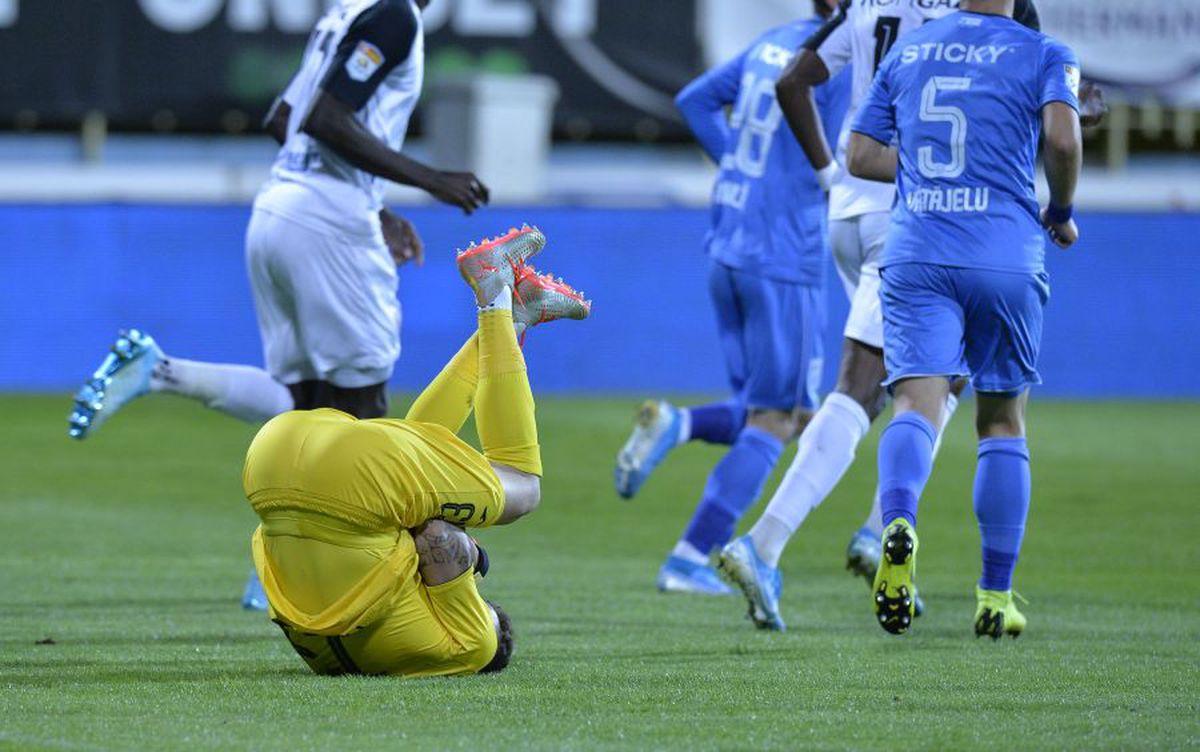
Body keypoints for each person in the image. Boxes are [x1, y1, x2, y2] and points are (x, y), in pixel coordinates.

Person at [66, 0, 487, 607]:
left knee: (304, 405)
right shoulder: (394, 15)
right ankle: (338, 570)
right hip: (328, 220)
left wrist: (375, 200)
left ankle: (163, 374)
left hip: (277, 211)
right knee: (363, 410)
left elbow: (283, 116)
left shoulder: (347, 13)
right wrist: (431, 180)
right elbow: (320, 117)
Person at [716, 0, 1102, 631]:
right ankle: (770, 543)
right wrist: (1050, 193)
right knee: (892, 394)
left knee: (924, 387)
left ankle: (881, 526)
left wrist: (828, 173)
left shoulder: (879, 19)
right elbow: (1053, 129)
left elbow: (805, 88)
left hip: (877, 218)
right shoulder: (1021, 42)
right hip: (929, 224)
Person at [245, 227, 591, 676]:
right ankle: (511, 315)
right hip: (272, 464)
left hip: (334, 471)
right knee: (412, 461)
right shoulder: (358, 651)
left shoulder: (470, 648)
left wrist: (471, 557)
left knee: (522, 490)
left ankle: (496, 298)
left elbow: (438, 539)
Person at [843, 0, 1081, 637]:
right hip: (1003, 253)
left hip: (919, 251)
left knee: (914, 408)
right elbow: (1061, 138)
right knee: (1002, 422)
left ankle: (896, 520)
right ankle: (995, 597)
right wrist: (1060, 208)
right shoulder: (1044, 51)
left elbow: (860, 153)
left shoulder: (911, 48)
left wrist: (926, 171)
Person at [611, 0, 850, 597]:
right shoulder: (842, 59)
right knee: (783, 416)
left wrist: (747, 173)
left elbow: (695, 99)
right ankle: (690, 557)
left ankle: (679, 424)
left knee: (763, 406)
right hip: (783, 256)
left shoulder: (774, 41)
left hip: (730, 242)